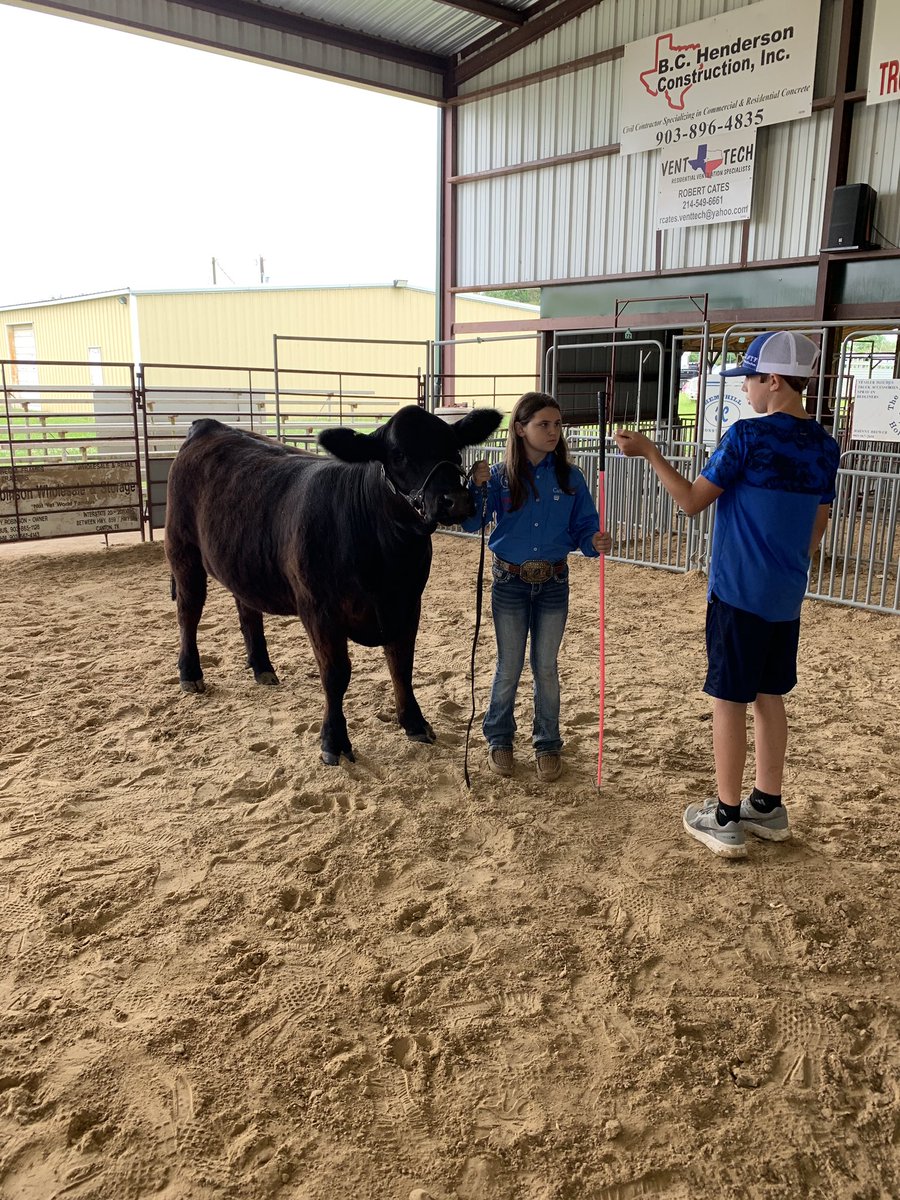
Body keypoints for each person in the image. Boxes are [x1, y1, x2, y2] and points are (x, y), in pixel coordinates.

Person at [614, 331, 840, 858]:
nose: (747, 393)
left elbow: (692, 501)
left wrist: (649, 451)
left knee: (728, 701)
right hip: (786, 594)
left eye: (751, 381)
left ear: (774, 380)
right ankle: (769, 804)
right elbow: (818, 523)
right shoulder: (824, 446)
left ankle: (725, 816)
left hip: (739, 591)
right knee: (769, 697)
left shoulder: (747, 437)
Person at [464, 391, 611, 782]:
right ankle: (499, 738)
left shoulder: (571, 476)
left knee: (546, 666)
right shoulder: (498, 476)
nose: (553, 432)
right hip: (509, 581)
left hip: (553, 582)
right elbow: (472, 524)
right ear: (520, 428)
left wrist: (592, 542)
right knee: (509, 664)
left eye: (557, 424)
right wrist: (476, 489)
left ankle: (547, 742)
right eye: (543, 424)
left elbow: (584, 526)